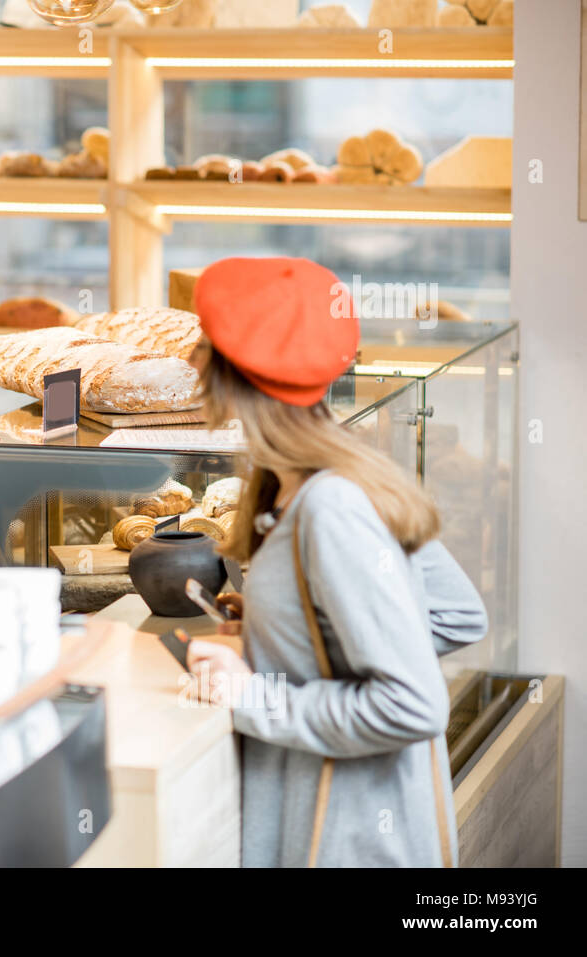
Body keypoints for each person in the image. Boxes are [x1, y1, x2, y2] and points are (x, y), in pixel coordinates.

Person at [183, 257, 487, 867]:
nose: (193, 359)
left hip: (344, 841)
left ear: (230, 375)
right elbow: (456, 615)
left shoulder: (331, 509)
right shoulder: (340, 472)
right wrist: (291, 629)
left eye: (205, 344)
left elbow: (412, 704)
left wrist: (252, 696)